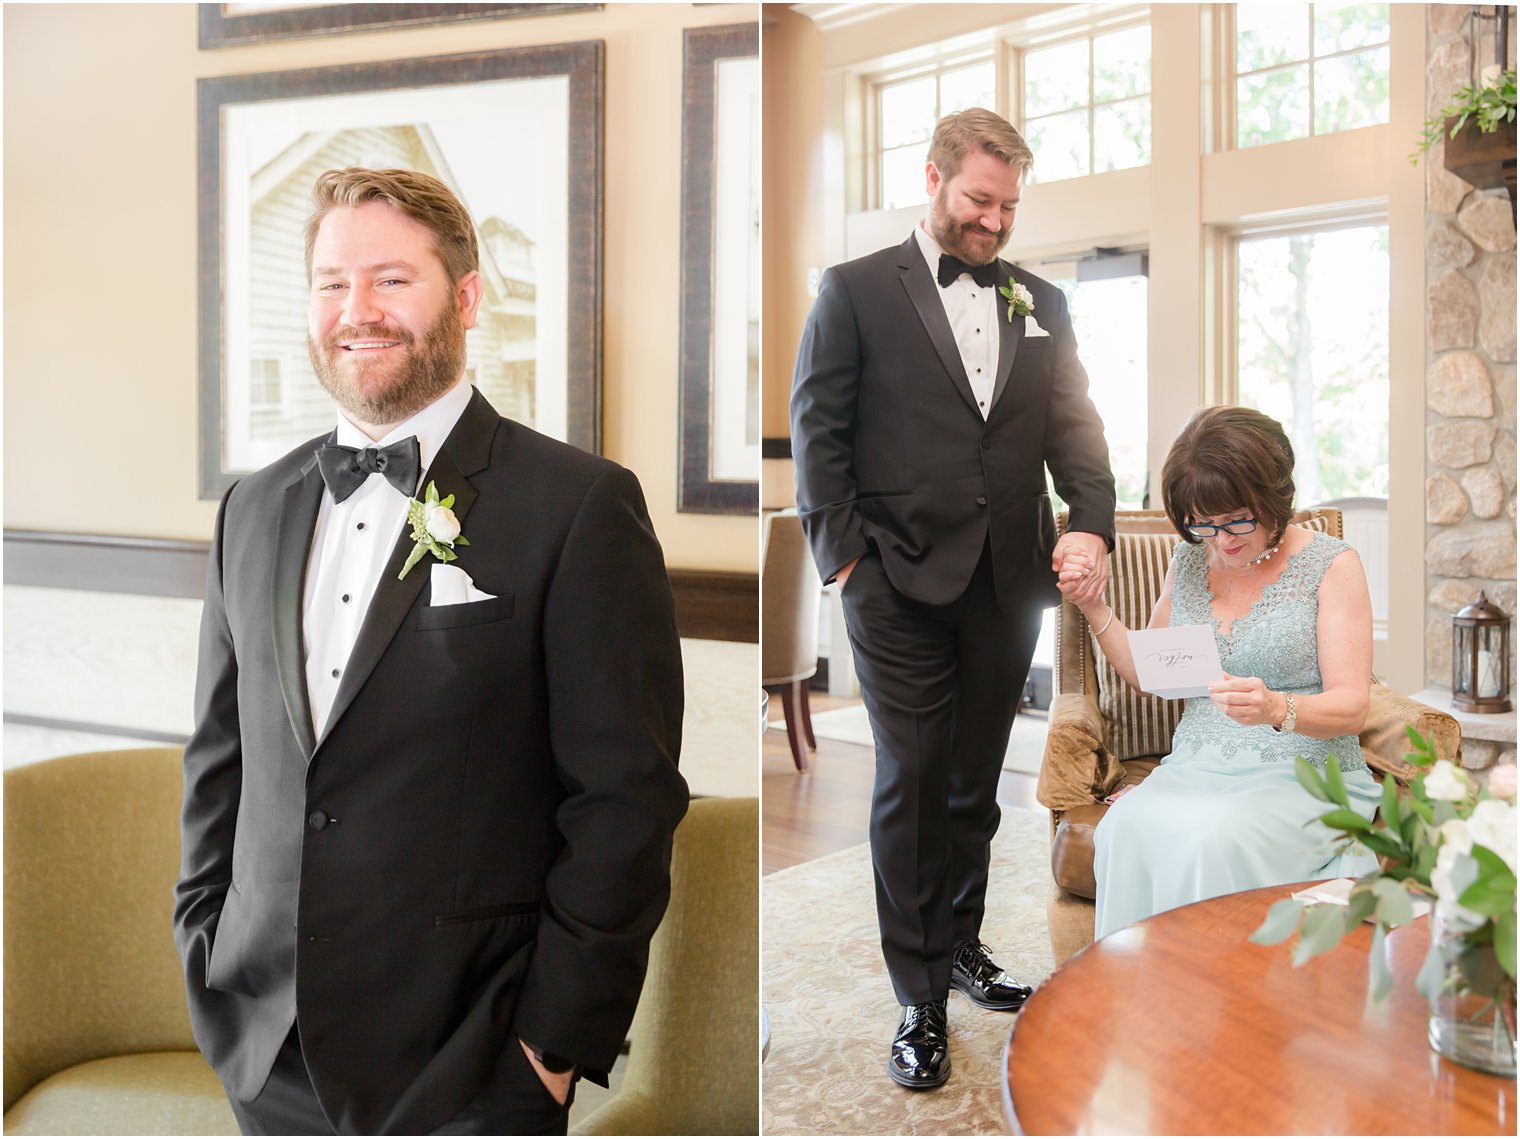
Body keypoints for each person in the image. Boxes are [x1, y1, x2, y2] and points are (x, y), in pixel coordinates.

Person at [173, 167, 689, 1135]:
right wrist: (207, 945)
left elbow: (624, 797)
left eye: (390, 279)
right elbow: (218, 758)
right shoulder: (251, 506)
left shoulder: (578, 504)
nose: (355, 310)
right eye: (331, 281)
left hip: (474, 1050)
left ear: (466, 296)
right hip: (264, 1037)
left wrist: (552, 1045)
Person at [789, 108, 1115, 1089]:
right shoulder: (851, 291)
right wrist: (844, 559)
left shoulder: (1041, 302)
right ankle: (918, 990)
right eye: (978, 199)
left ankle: (961, 942)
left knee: (974, 778)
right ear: (930, 177)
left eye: (1007, 206)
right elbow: (818, 428)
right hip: (893, 576)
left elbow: (1077, 429)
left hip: (1006, 577)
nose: (992, 221)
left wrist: (1089, 520)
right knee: (915, 772)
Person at [1057, 405, 1379, 939]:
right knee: (1125, 830)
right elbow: (1149, 672)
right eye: (1203, 525)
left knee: (1213, 838)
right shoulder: (1187, 562)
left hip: (1304, 771)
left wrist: (1279, 708)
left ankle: (1220, 1009)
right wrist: (1094, 608)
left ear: (1273, 495)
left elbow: (1353, 706)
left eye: (1237, 521)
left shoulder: (1332, 565)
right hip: (1197, 765)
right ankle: (1145, 1003)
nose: (1222, 540)